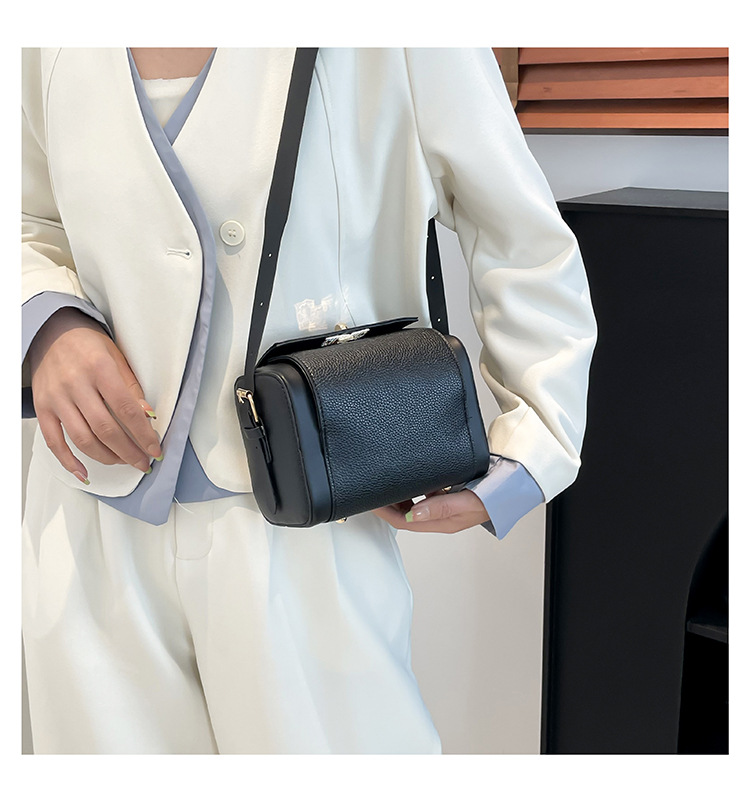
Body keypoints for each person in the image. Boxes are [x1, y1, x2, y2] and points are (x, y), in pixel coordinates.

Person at [21, 47, 597, 754]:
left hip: (311, 523)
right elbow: (25, 213)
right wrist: (47, 324)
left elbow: (522, 241)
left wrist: (527, 453)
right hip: (85, 514)